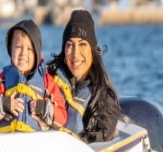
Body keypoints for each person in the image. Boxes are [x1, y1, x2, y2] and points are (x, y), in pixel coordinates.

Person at [47, 10, 121, 142]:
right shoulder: (47, 82)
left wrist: (81, 139)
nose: (75, 54)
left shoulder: (104, 100)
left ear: (92, 52)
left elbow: (103, 134)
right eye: (69, 45)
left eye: (82, 44)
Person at [0, 20, 66, 132]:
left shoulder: (47, 83)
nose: (23, 54)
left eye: (29, 49)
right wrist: (3, 105)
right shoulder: (1, 81)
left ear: (37, 53)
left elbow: (62, 117)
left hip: (34, 142)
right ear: (11, 49)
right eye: (18, 47)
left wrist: (44, 108)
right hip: (5, 141)